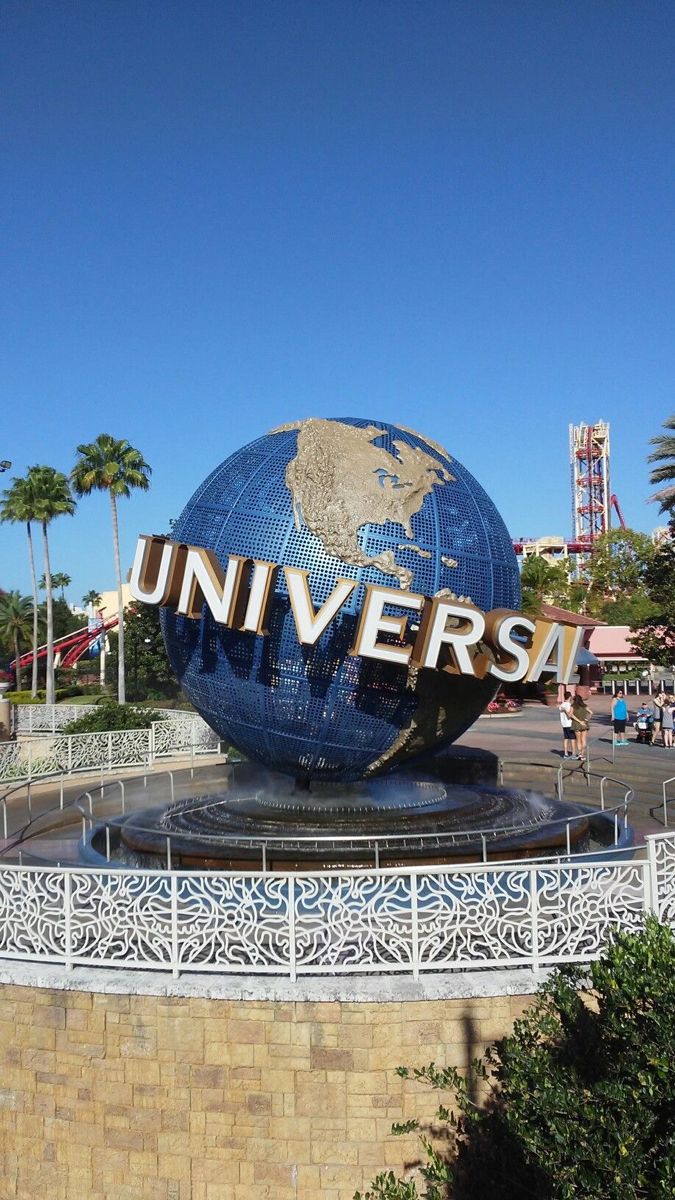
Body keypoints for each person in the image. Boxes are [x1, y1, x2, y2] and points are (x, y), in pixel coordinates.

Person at [570, 693, 592, 760]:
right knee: (584, 740)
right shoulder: (585, 706)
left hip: (577, 724)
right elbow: (591, 712)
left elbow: (571, 715)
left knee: (578, 740)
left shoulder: (573, 706)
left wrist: (579, 721)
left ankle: (579, 754)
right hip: (584, 724)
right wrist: (587, 719)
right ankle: (582, 754)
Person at [558, 691, 576, 758]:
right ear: (570, 697)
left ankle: (565, 753)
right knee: (572, 738)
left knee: (566, 738)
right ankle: (573, 753)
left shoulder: (561, 705)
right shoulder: (568, 705)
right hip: (569, 723)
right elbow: (569, 715)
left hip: (564, 724)